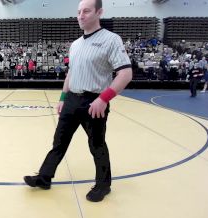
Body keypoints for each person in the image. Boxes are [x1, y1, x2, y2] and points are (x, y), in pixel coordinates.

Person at [24, 0, 132, 202]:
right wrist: (63, 98)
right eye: (79, 11)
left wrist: (104, 98)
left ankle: (103, 185)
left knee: (97, 145)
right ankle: (44, 178)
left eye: (86, 11)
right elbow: (71, 74)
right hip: (72, 99)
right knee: (59, 142)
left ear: (99, 12)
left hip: (95, 101)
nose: (80, 15)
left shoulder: (111, 40)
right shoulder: (75, 45)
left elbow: (125, 73)